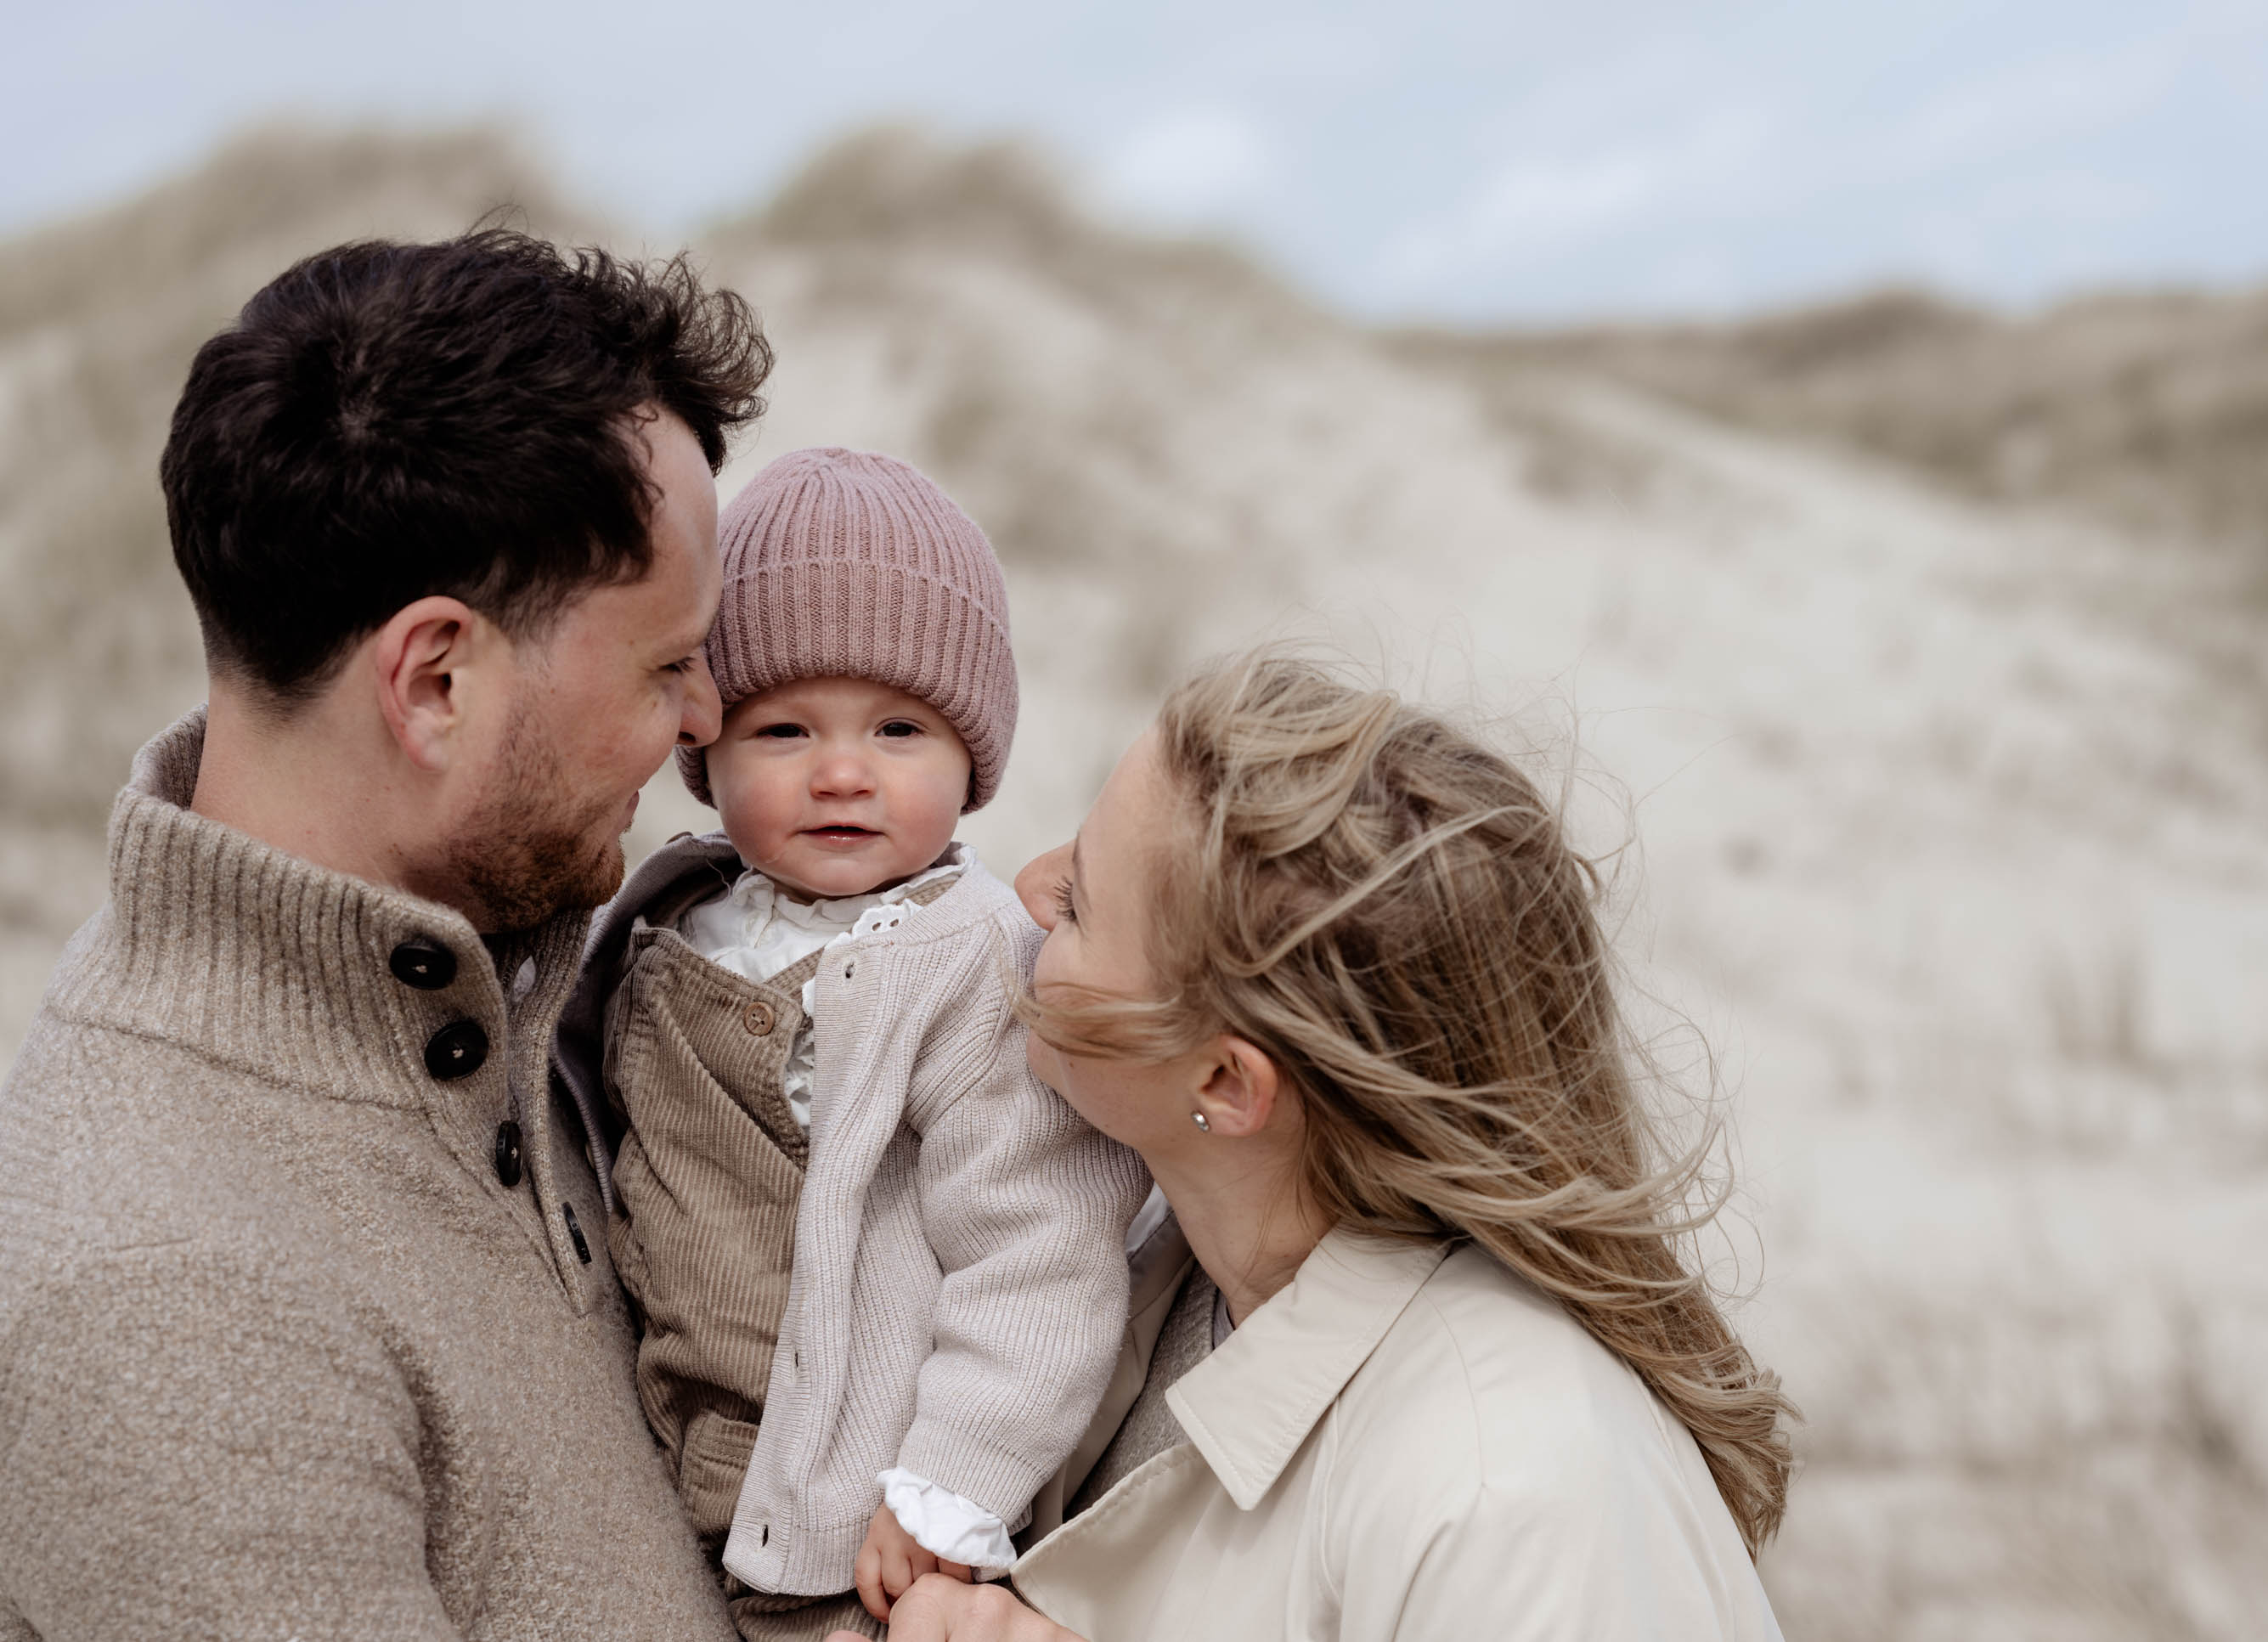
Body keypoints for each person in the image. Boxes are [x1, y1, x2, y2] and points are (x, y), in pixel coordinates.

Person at [0, 229, 771, 1638]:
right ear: (434, 680)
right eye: (668, 663)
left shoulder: (498, 970)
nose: (710, 718)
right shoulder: (174, 1300)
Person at [838, 653, 1797, 1642]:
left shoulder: (1511, 1486)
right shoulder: (1141, 1262)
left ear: (1224, 1084)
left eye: (1080, 903)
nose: (1028, 891)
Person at [555, 449, 1148, 1639]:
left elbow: (1040, 1253)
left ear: (971, 756)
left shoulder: (973, 961)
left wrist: (951, 1486)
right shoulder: (664, 919)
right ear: (704, 746)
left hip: (859, 1521)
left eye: (896, 728)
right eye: (781, 730)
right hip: (671, 1467)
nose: (840, 773)